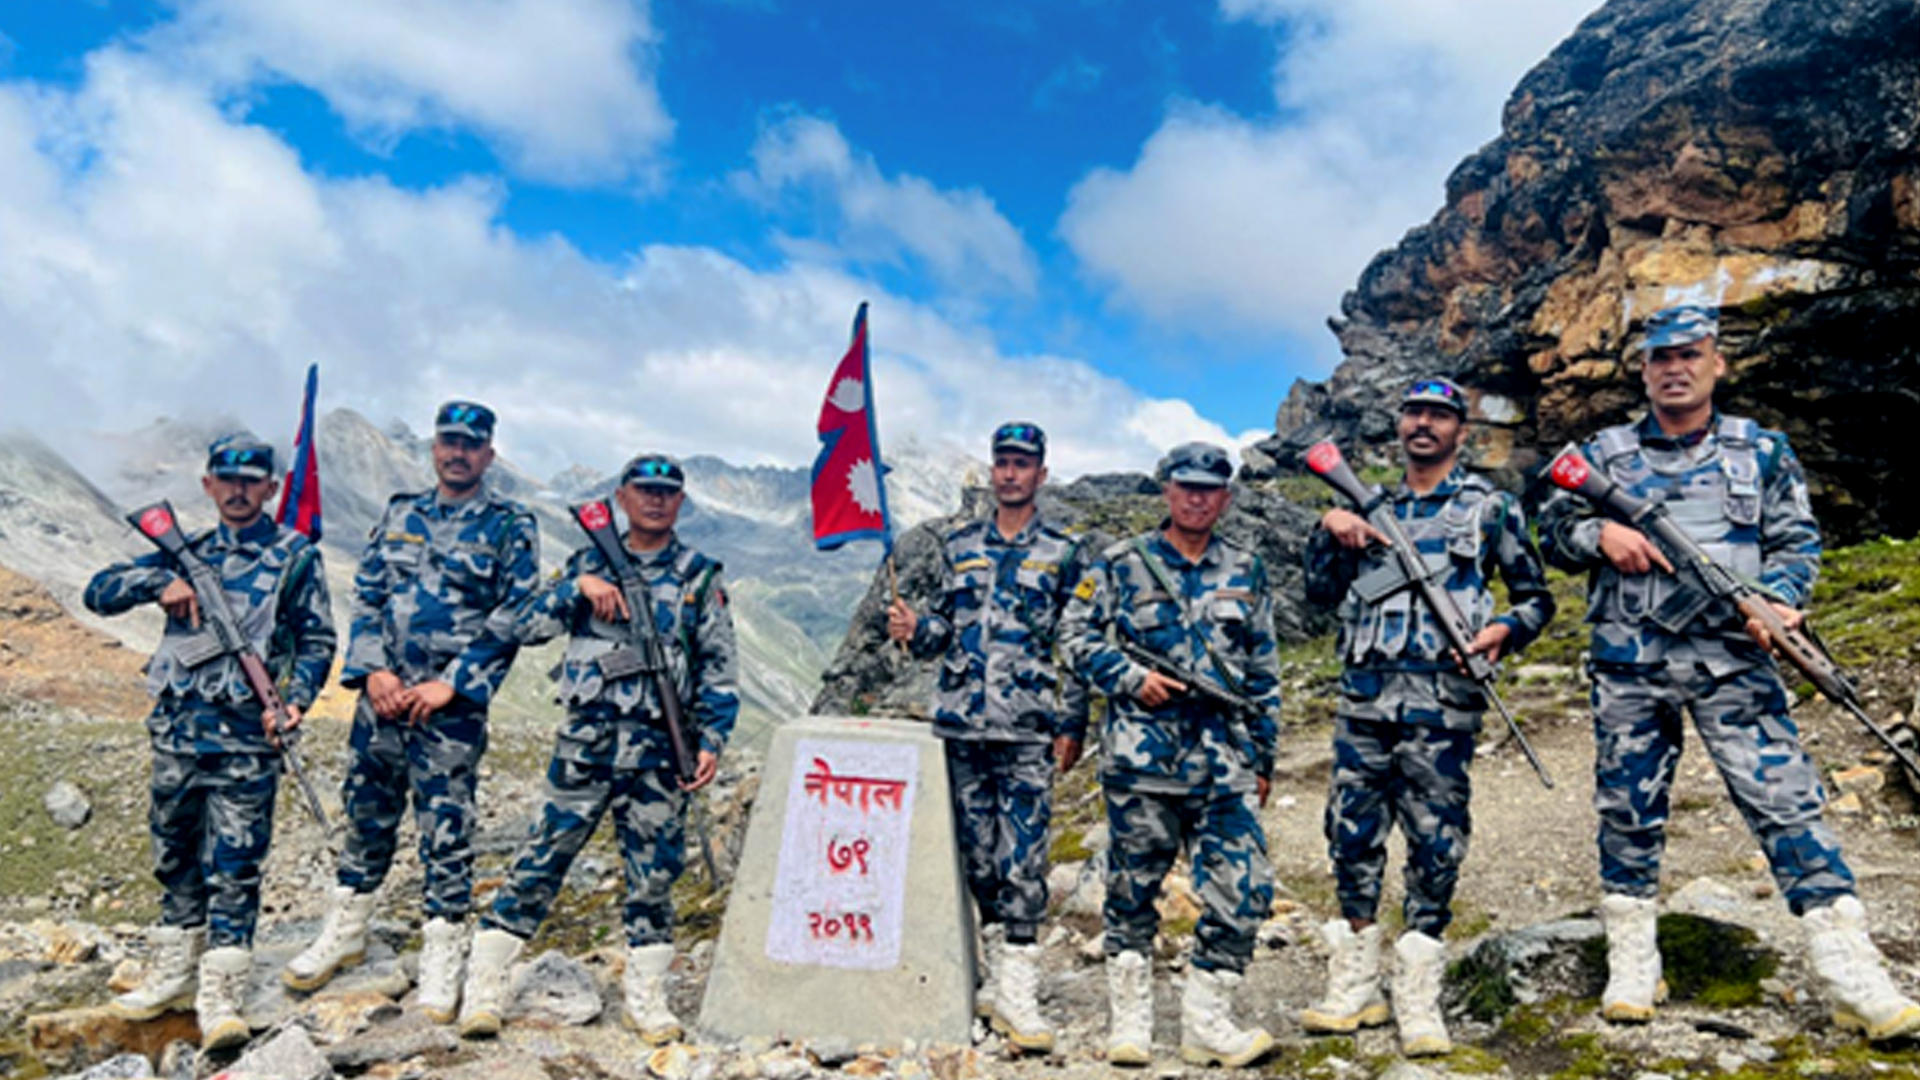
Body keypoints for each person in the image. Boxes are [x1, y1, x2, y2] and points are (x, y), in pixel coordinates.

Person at [1538, 304, 1920, 1040]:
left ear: (1718, 363)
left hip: (1734, 659)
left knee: (1786, 802)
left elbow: (1797, 542)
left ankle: (1851, 973)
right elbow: (1550, 528)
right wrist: (1598, 532)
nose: (1674, 368)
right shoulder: (1604, 454)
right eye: (1659, 358)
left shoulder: (1764, 452)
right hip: (1631, 662)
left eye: (1690, 354)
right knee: (1627, 810)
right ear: (1643, 370)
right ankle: (1634, 963)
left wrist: (1778, 605)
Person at [1298, 377, 1556, 1055]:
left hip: (1443, 705)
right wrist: (1329, 530)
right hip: (1364, 702)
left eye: (1439, 416)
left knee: (1436, 843)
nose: (1423, 424)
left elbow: (1535, 597)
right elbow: (1318, 595)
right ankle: (1352, 986)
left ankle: (1417, 995)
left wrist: (1501, 631)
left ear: (1459, 431)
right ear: (1399, 423)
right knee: (1350, 835)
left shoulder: (1489, 509)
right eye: (1413, 412)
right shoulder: (1363, 506)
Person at [457, 453, 737, 1043]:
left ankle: (647, 994)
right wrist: (575, 589)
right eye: (644, 490)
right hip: (586, 745)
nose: (656, 500)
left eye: (667, 492)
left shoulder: (699, 576)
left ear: (680, 502)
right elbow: (525, 625)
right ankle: (484, 982)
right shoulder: (587, 561)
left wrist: (710, 738)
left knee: (655, 876)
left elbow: (718, 668)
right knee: (542, 858)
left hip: (662, 752)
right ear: (621, 496)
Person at [284, 401, 540, 1025]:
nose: (458, 452)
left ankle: (442, 960)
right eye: (448, 441)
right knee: (366, 815)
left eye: (471, 445)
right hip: (382, 700)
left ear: (489, 454)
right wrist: (372, 670)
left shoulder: (510, 526)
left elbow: (515, 617)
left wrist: (453, 686)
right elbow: (368, 593)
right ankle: (347, 930)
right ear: (434, 447)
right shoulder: (402, 513)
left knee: (445, 832)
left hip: (448, 712)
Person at [87, 435, 336, 1050]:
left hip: (247, 738)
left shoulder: (294, 556)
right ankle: (175, 973)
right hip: (177, 734)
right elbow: (98, 591)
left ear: (272, 488)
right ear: (207, 485)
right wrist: (155, 584)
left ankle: (222, 991)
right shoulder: (179, 552)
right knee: (174, 857)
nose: (238, 490)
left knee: (235, 864)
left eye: (252, 480)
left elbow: (316, 640)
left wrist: (295, 698)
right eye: (226, 478)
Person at [1060, 441, 1281, 1069]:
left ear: (1226, 498)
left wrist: (1264, 756)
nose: (1196, 497)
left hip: (1224, 762)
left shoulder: (1248, 569)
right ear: (1166, 491)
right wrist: (1130, 678)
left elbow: (1263, 668)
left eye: (1209, 489)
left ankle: (1207, 1022)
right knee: (1132, 892)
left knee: (1244, 892)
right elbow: (1072, 638)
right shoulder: (1120, 563)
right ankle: (1130, 1023)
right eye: (1185, 486)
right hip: (1141, 761)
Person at [886, 421, 1088, 1054]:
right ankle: (988, 979)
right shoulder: (958, 544)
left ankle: (1020, 991)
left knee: (1022, 859)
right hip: (960, 726)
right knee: (975, 859)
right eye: (1002, 461)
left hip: (1027, 729)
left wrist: (1072, 721)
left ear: (1041, 475)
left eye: (1022, 464)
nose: (1010, 473)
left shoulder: (1063, 552)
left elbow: (1076, 643)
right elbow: (943, 630)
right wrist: (916, 628)